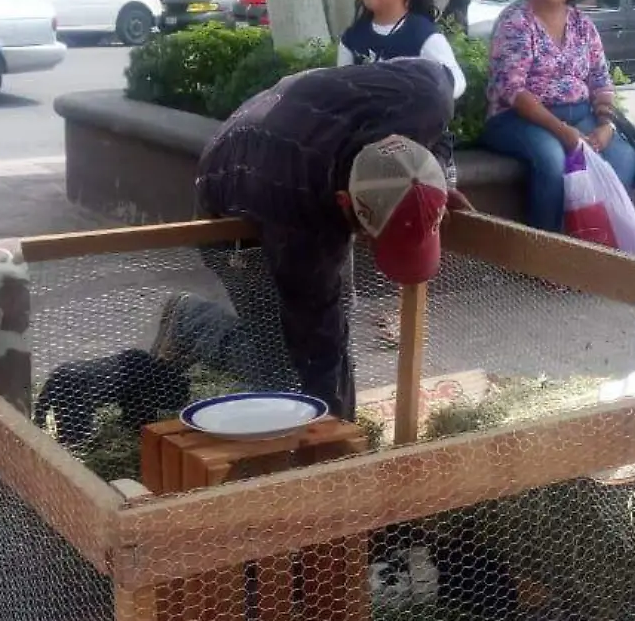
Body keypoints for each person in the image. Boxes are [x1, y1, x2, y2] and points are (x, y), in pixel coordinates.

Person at [152, 59, 469, 421]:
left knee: (332, 327)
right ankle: (192, 323)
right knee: (284, 375)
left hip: (298, 125)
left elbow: (440, 134)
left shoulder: (426, 94)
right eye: (370, 237)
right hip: (235, 196)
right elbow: (319, 345)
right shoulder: (301, 219)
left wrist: (437, 182)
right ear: (344, 204)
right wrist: (335, 440)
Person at [482, 0, 635, 232]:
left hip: (580, 114)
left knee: (622, 156)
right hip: (518, 118)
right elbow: (512, 90)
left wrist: (605, 125)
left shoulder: (583, 25)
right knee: (552, 160)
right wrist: (563, 132)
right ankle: (545, 257)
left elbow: (600, 81)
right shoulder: (516, 22)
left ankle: (602, 248)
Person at [336, 0, 466, 100]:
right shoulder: (352, 37)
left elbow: (456, 81)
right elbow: (341, 85)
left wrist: (426, 96)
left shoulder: (423, 35)